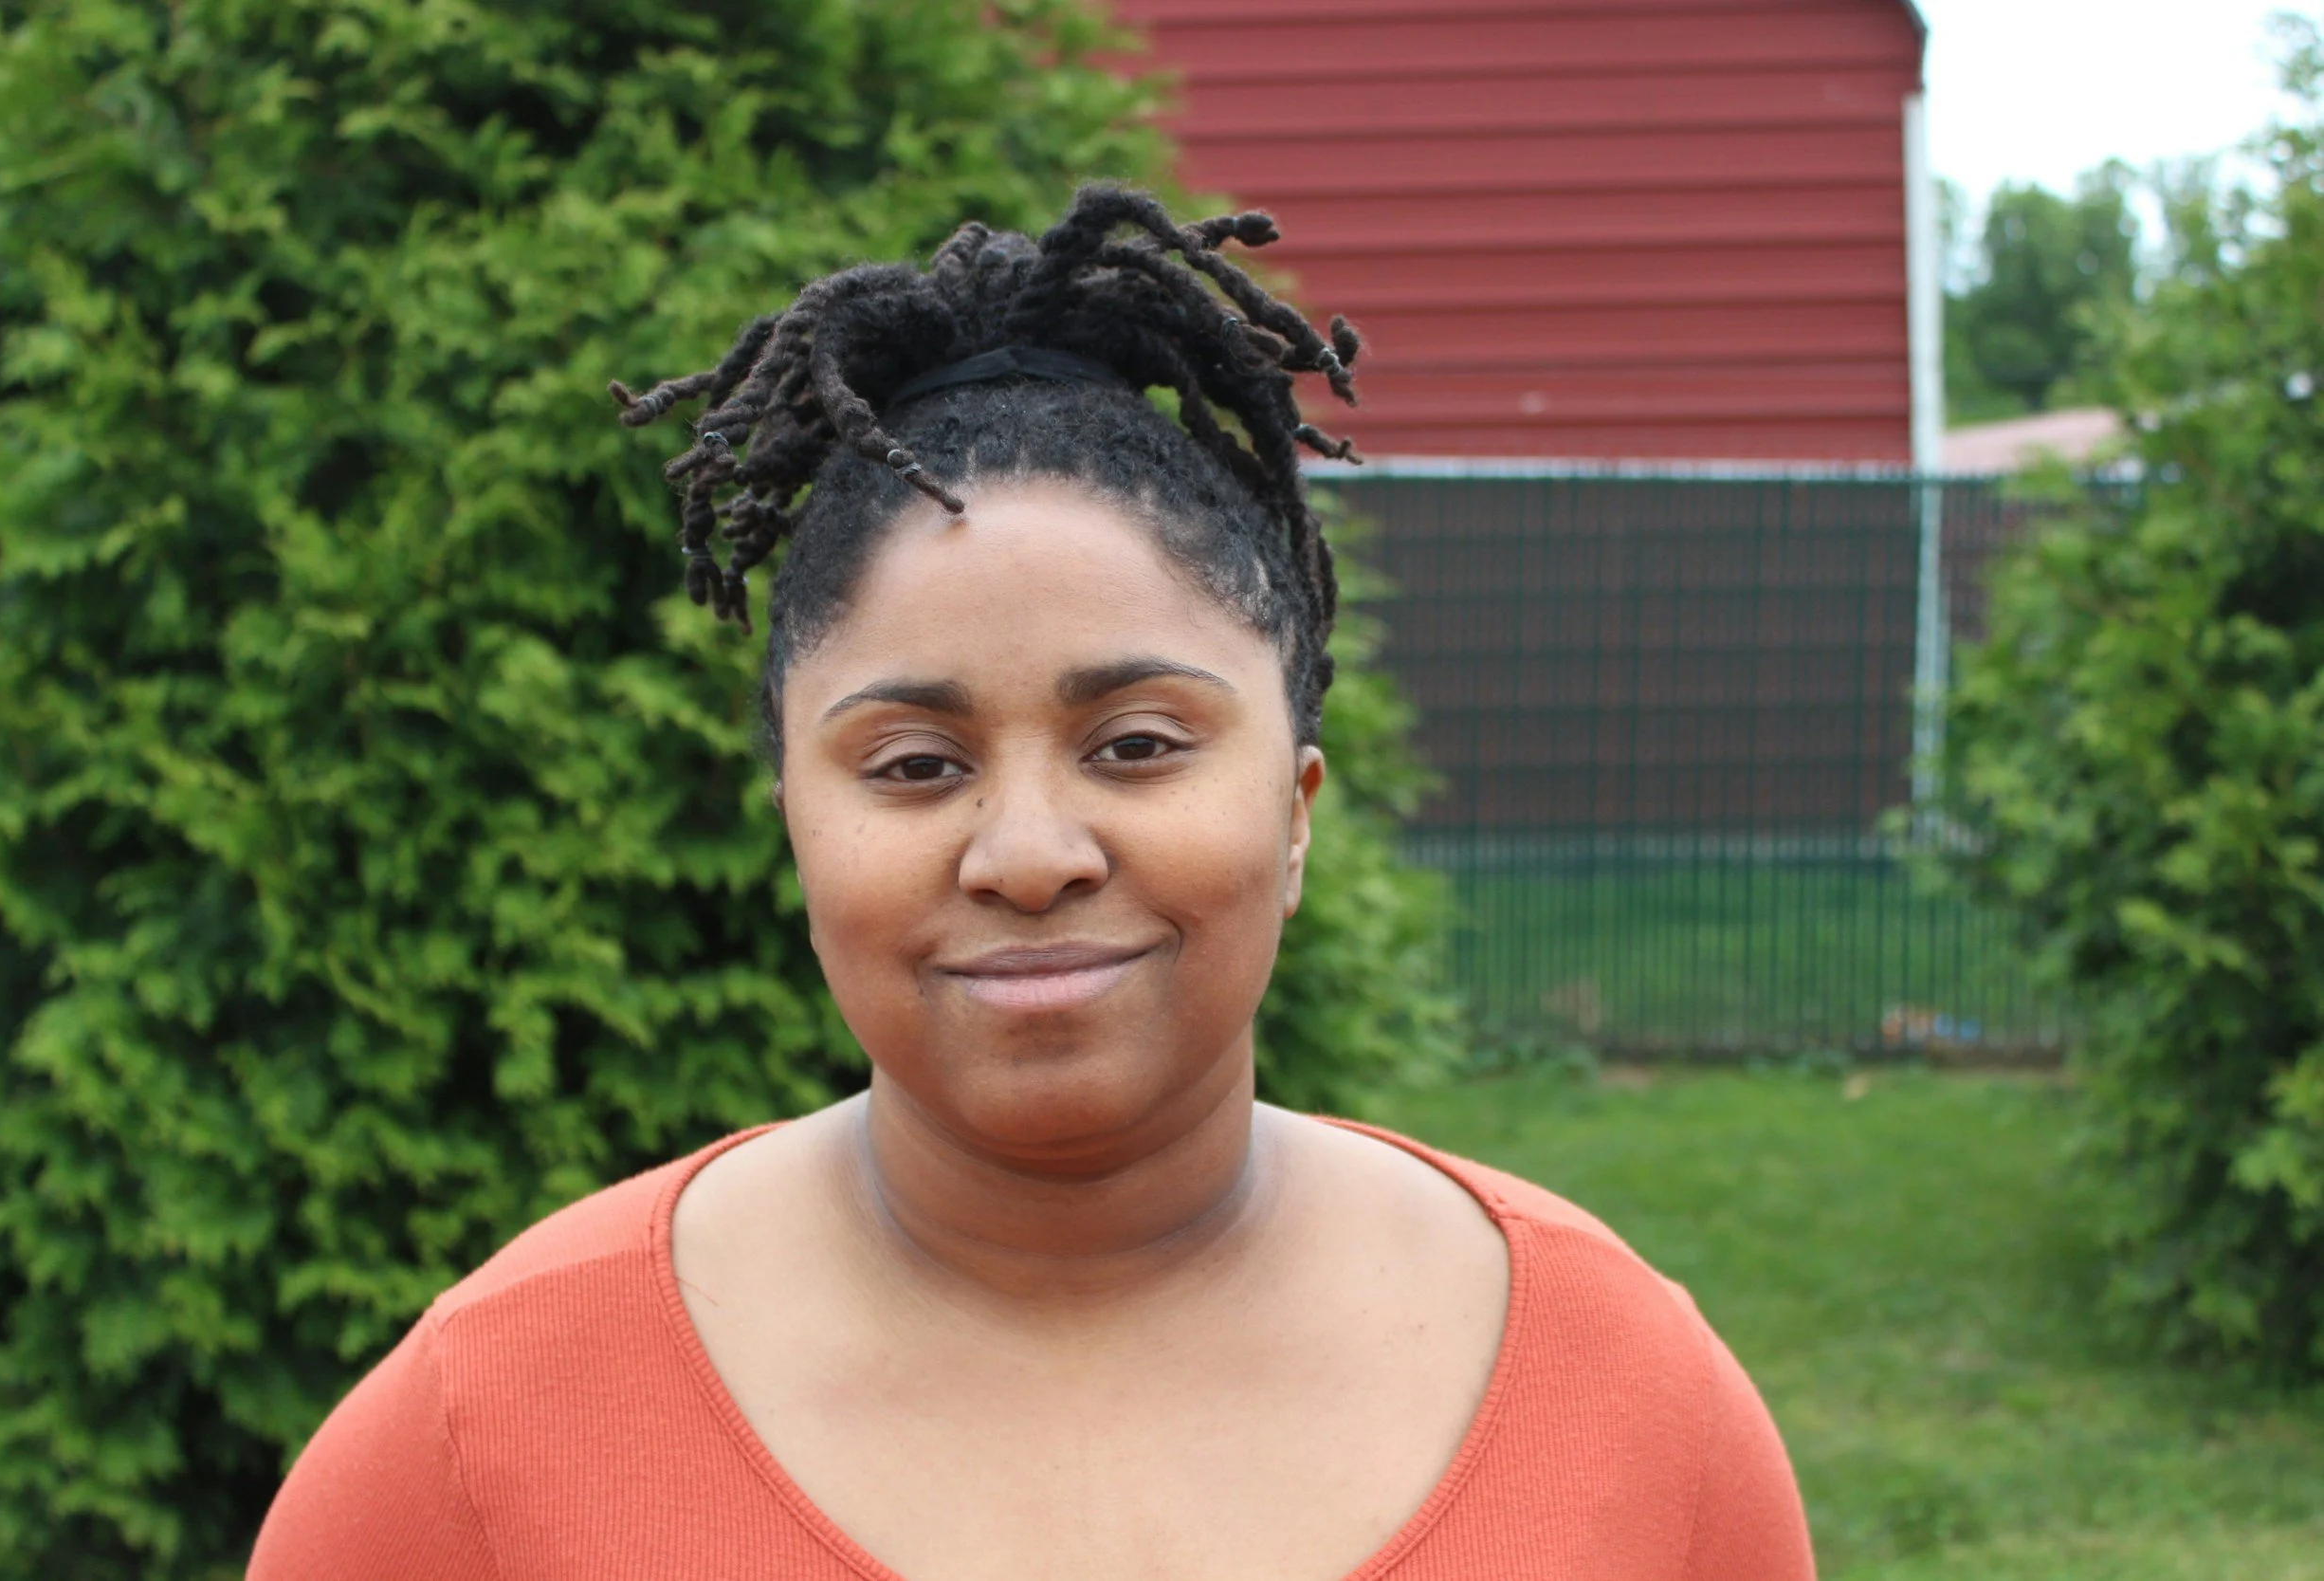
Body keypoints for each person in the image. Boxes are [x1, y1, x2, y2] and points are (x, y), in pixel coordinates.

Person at [247, 185, 1813, 1581]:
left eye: (1135, 742)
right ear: (796, 825)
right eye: (916, 764)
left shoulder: (1625, 1404)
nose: (1030, 853)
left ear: (1296, 810)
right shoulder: (482, 1439)